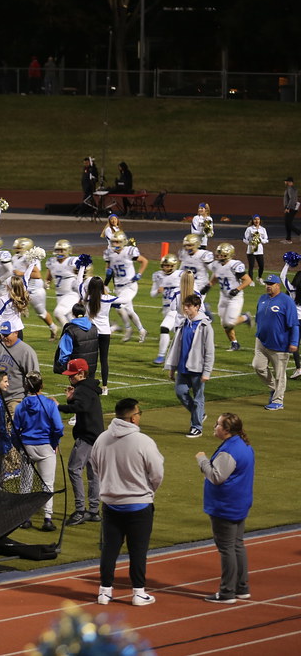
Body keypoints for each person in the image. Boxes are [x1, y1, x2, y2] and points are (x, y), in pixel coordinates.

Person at [91, 398, 164, 607]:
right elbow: (157, 473)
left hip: (111, 504)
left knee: (109, 550)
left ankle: (104, 592)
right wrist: (149, 491)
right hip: (139, 505)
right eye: (139, 413)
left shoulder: (102, 439)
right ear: (133, 417)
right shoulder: (143, 441)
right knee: (138, 551)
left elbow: (95, 467)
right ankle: (138, 592)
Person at [195, 413, 254, 604]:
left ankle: (228, 591)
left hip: (225, 506)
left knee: (227, 548)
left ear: (227, 430)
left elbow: (216, 477)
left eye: (218, 424)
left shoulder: (229, 451)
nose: (214, 426)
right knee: (237, 545)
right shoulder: (244, 446)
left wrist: (202, 460)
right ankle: (242, 587)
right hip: (239, 502)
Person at [13, 371, 64, 532]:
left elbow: (14, 431)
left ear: (25, 386)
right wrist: (54, 442)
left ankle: (25, 518)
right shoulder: (49, 404)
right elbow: (59, 428)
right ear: (41, 386)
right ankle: (47, 519)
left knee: (26, 484)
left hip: (27, 447)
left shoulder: (21, 406)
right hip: (46, 447)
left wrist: (20, 446)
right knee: (47, 484)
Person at [57, 358, 104, 526]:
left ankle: (80, 511)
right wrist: (71, 398)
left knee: (74, 469)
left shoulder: (83, 389)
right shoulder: (89, 387)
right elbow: (83, 405)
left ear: (82, 373)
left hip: (86, 437)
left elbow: (80, 408)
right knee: (93, 474)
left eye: (72, 375)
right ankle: (93, 510)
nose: (70, 378)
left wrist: (59, 406)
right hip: (97, 437)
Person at [165, 294, 215, 438]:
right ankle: (199, 414)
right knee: (180, 392)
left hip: (197, 369)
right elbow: (175, 347)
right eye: (184, 306)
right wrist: (172, 368)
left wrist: (207, 372)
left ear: (197, 307)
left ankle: (196, 427)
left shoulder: (205, 326)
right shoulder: (183, 323)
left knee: (199, 398)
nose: (185, 309)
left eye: (188, 306)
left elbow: (209, 350)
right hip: (182, 368)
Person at [253, 274, 300, 410]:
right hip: (261, 341)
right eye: (267, 283)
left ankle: (278, 401)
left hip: (280, 344)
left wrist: (294, 342)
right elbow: (258, 318)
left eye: (271, 284)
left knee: (280, 374)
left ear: (277, 285)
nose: (268, 286)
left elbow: (294, 324)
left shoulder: (286, 301)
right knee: (258, 366)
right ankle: (274, 388)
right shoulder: (262, 298)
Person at [205, 243, 252, 351]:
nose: (219, 256)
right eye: (219, 253)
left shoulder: (234, 265)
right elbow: (217, 275)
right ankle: (234, 343)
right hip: (224, 296)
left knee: (230, 322)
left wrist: (237, 289)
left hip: (235, 297)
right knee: (224, 324)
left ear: (228, 255)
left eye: (222, 254)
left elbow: (248, 280)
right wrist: (209, 285)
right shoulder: (217, 265)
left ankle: (245, 317)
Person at [103, 231, 148, 343]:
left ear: (123, 242)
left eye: (118, 242)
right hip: (118, 287)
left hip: (130, 285)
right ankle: (141, 330)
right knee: (128, 311)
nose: (115, 244)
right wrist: (106, 283)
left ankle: (128, 329)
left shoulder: (129, 251)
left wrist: (139, 274)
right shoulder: (109, 253)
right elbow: (109, 270)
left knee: (119, 305)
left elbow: (144, 261)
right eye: (113, 242)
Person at [0, 321, 39, 415]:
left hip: (16, 399)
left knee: (12, 428)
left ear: (15, 333)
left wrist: (31, 400)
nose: (4, 338)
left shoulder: (26, 351)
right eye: (2, 335)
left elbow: (34, 378)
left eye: (7, 335)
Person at [54, 303, 98, 377]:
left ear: (73, 314)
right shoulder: (94, 328)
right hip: (91, 367)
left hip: (76, 369)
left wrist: (62, 364)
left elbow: (65, 352)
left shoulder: (71, 330)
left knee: (78, 388)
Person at [46, 239, 81, 327]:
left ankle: (68, 333)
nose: (59, 252)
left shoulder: (73, 261)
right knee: (71, 319)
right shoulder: (52, 261)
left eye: (62, 250)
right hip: (59, 295)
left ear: (68, 250)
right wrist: (46, 283)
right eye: (57, 250)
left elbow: (84, 275)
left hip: (72, 294)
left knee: (58, 313)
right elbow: (48, 277)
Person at [243, 215, 268, 283]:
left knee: (261, 266)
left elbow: (266, 240)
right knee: (251, 266)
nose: (256, 221)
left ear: (260, 220)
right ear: (252, 221)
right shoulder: (249, 229)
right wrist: (250, 243)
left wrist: (260, 240)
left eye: (258, 219)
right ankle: (250, 280)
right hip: (251, 250)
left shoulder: (263, 229)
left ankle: (259, 277)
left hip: (259, 250)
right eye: (255, 219)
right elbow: (244, 239)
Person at [283, 176, 300, 244]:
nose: (285, 182)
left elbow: (292, 199)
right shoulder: (293, 188)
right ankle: (288, 239)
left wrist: (287, 208)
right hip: (293, 208)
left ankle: (299, 233)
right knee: (287, 224)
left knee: (288, 223)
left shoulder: (290, 189)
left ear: (289, 182)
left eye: (286, 181)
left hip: (290, 208)